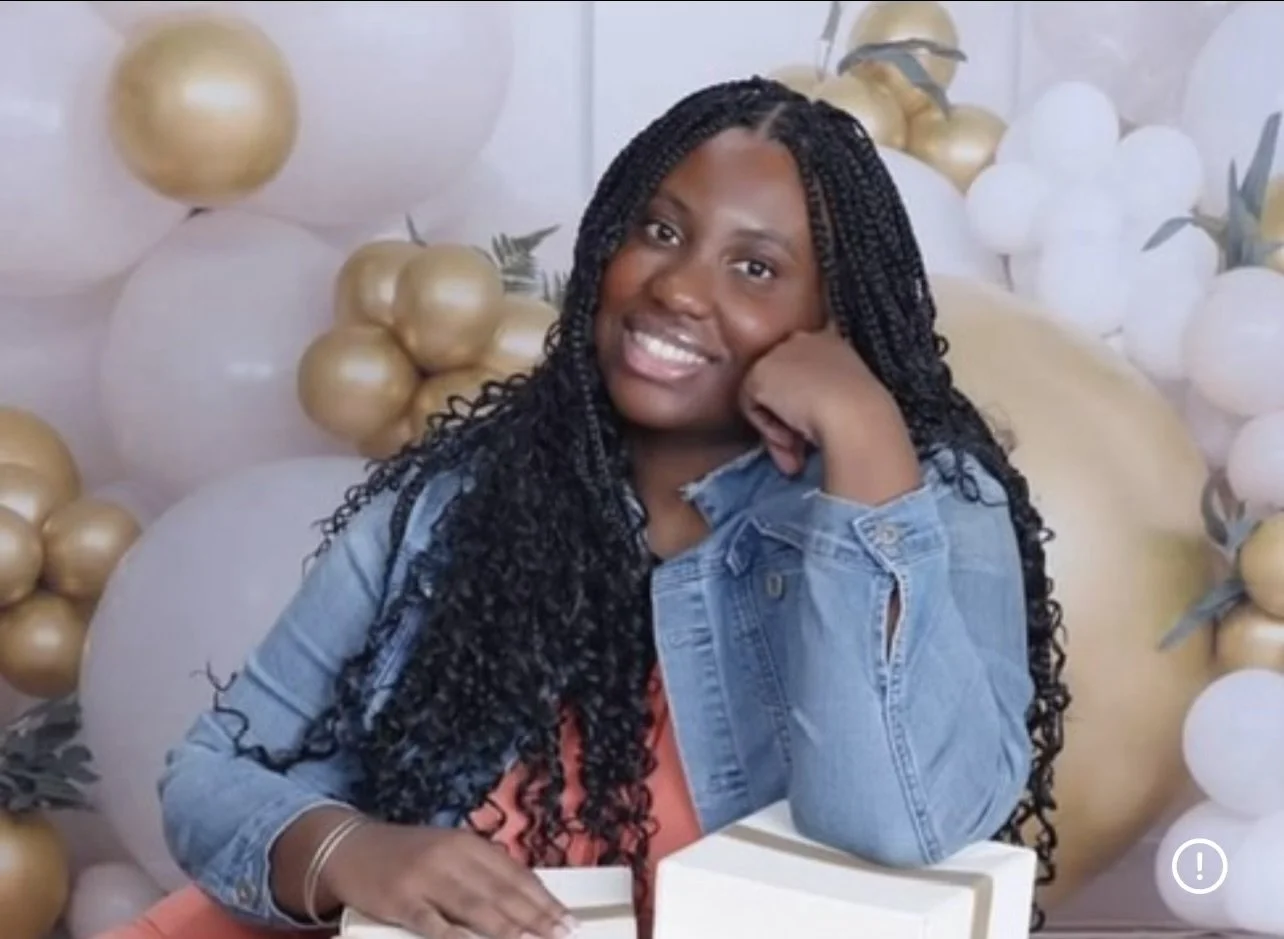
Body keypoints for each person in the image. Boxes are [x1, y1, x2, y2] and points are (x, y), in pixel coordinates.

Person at [117, 75, 1069, 939]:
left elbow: (899, 824)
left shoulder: (927, 505)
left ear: (829, 324)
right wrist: (349, 852)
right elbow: (209, 775)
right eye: (660, 231)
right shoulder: (455, 499)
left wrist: (862, 435)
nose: (678, 288)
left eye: (755, 269)